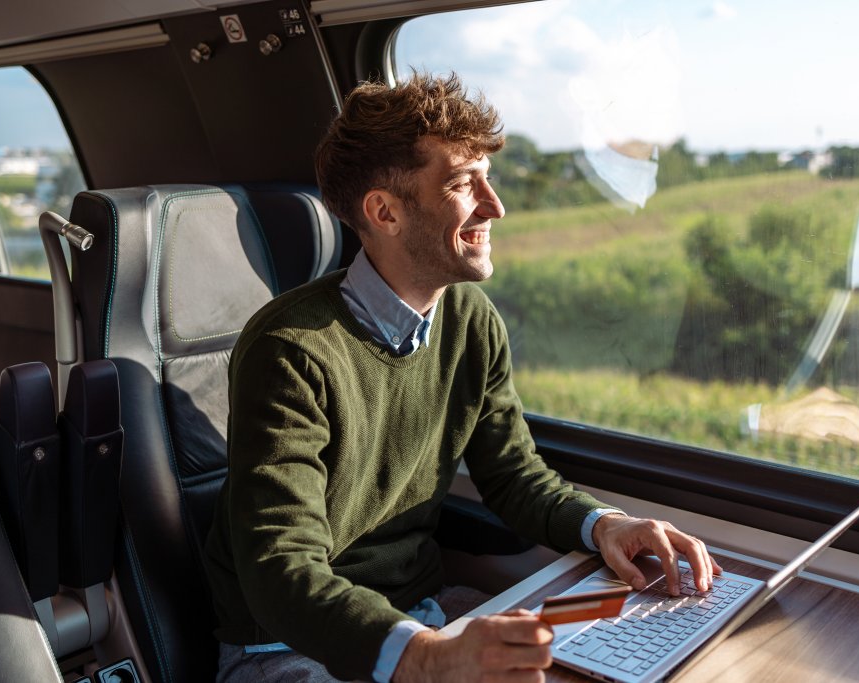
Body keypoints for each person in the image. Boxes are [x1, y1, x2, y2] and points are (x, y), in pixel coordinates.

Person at [203, 72, 721, 683]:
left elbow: (514, 477)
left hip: (426, 615)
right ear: (385, 212)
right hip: (290, 648)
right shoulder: (290, 350)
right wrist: (423, 656)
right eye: (461, 184)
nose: (494, 206)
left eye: (488, 179)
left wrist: (606, 524)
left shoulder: (470, 319)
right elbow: (281, 569)